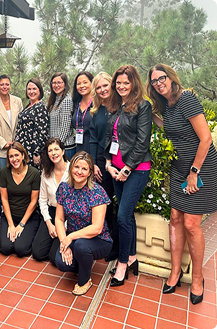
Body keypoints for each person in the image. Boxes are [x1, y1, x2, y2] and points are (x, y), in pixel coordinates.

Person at [147, 64, 217, 304]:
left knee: (190, 223)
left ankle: (197, 278)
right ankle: (175, 271)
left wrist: (194, 172)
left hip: (200, 167)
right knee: (175, 217)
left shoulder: (185, 98)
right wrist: (151, 115)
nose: (158, 83)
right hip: (179, 168)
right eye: (154, 81)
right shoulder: (167, 106)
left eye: (162, 78)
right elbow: (171, 129)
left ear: (171, 77)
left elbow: (205, 138)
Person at [104, 65, 152, 287]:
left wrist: (127, 168)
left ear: (134, 83)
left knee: (122, 216)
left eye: (126, 82)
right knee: (126, 215)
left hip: (136, 170)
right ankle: (132, 256)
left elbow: (143, 141)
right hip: (116, 169)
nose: (121, 86)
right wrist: (108, 163)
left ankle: (122, 264)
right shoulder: (114, 105)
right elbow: (110, 137)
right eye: (119, 82)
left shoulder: (143, 106)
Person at [55, 151, 112, 295]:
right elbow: (59, 219)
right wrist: (64, 242)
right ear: (71, 168)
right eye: (76, 167)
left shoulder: (97, 192)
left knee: (81, 247)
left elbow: (97, 228)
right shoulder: (63, 188)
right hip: (74, 237)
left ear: (90, 173)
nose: (79, 172)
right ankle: (82, 263)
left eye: (84, 169)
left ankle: (85, 280)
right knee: (61, 262)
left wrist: (70, 237)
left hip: (99, 239)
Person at [89, 72, 118, 261]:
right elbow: (92, 138)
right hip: (100, 160)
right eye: (98, 87)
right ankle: (105, 242)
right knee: (104, 202)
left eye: (105, 86)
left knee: (120, 205)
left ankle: (118, 245)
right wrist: (93, 164)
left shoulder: (121, 106)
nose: (102, 90)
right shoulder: (96, 111)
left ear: (112, 84)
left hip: (120, 159)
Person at [0, 142, 40, 257]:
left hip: (28, 217)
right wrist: (11, 224)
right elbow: (4, 199)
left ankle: (29, 233)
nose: (14, 159)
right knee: (5, 248)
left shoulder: (34, 173)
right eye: (11, 156)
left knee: (20, 249)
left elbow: (34, 201)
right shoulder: (4, 172)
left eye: (17, 155)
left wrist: (21, 224)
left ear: (23, 155)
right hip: (10, 216)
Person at [32, 138, 69, 263]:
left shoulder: (72, 171)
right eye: (50, 150)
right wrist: (49, 224)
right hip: (52, 212)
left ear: (63, 151)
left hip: (68, 215)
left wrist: (63, 227)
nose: (53, 153)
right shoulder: (46, 172)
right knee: (38, 253)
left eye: (56, 149)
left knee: (54, 258)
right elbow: (42, 200)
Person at [0, 74, 23, 169]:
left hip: (16, 147)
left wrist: (17, 142)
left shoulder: (18, 101)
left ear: (10, 86)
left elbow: (21, 124)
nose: (4, 87)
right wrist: (4, 144)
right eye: (2, 84)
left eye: (7, 84)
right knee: (4, 177)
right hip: (0, 150)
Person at [15, 78, 49, 168]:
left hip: (32, 152)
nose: (31, 91)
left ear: (40, 90)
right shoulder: (28, 106)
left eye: (34, 89)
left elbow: (42, 132)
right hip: (23, 150)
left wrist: (37, 153)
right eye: (29, 89)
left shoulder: (40, 107)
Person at [47, 73, 76, 159]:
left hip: (65, 147)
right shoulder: (54, 100)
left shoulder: (67, 100)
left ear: (65, 84)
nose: (56, 85)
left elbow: (65, 128)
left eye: (59, 82)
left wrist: (56, 147)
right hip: (55, 147)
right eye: (54, 83)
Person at [71, 71, 94, 154]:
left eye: (85, 82)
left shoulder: (97, 104)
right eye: (78, 83)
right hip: (78, 147)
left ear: (92, 83)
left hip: (93, 147)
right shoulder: (75, 103)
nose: (82, 86)